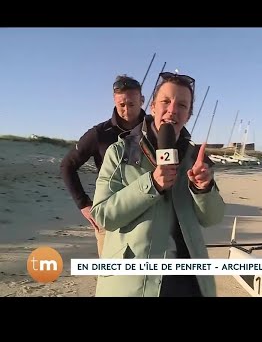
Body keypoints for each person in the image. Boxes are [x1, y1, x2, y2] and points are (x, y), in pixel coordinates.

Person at [90, 71, 225, 297]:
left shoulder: (195, 159)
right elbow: (103, 215)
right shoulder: (120, 152)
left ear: (189, 114)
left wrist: (203, 188)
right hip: (134, 283)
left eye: (182, 105)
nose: (172, 110)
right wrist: (151, 184)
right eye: (166, 101)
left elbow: (213, 218)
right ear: (152, 106)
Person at [60, 75, 146, 257]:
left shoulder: (155, 130)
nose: (126, 110)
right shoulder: (99, 134)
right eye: (121, 105)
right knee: (111, 277)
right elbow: (67, 165)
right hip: (110, 217)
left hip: (147, 215)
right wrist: (83, 204)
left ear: (142, 100)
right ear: (115, 102)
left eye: (131, 104)